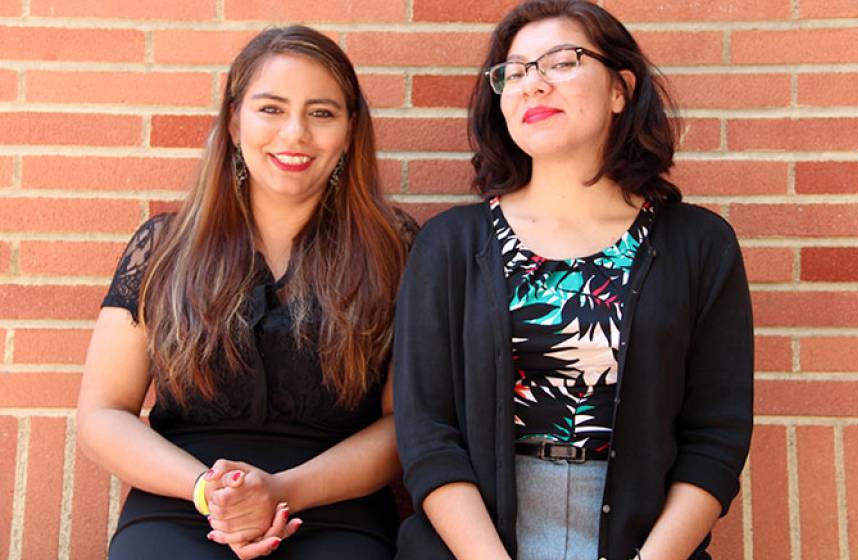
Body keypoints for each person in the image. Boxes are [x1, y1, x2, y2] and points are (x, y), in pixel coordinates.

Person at [392, 1, 753, 559]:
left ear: (620, 89)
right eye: (514, 72)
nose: (532, 85)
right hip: (474, 541)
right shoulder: (450, 245)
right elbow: (427, 433)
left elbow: (716, 438)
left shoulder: (699, 244)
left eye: (561, 62)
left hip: (642, 538)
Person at [77, 25, 416, 560]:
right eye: (271, 109)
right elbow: (103, 413)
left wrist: (281, 492)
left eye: (322, 113)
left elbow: (406, 425)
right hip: (181, 502)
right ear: (234, 122)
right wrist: (209, 492)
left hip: (336, 507)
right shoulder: (164, 247)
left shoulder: (394, 251)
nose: (296, 133)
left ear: (351, 130)